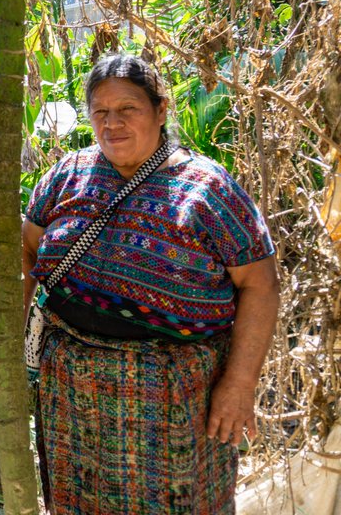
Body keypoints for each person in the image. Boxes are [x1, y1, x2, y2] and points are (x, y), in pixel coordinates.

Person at [23, 53, 280, 514]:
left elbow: (261, 284)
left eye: (128, 109)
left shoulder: (207, 189)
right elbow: (27, 250)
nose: (112, 124)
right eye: (100, 112)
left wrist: (240, 383)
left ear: (161, 110)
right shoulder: (68, 174)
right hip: (72, 394)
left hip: (173, 397)